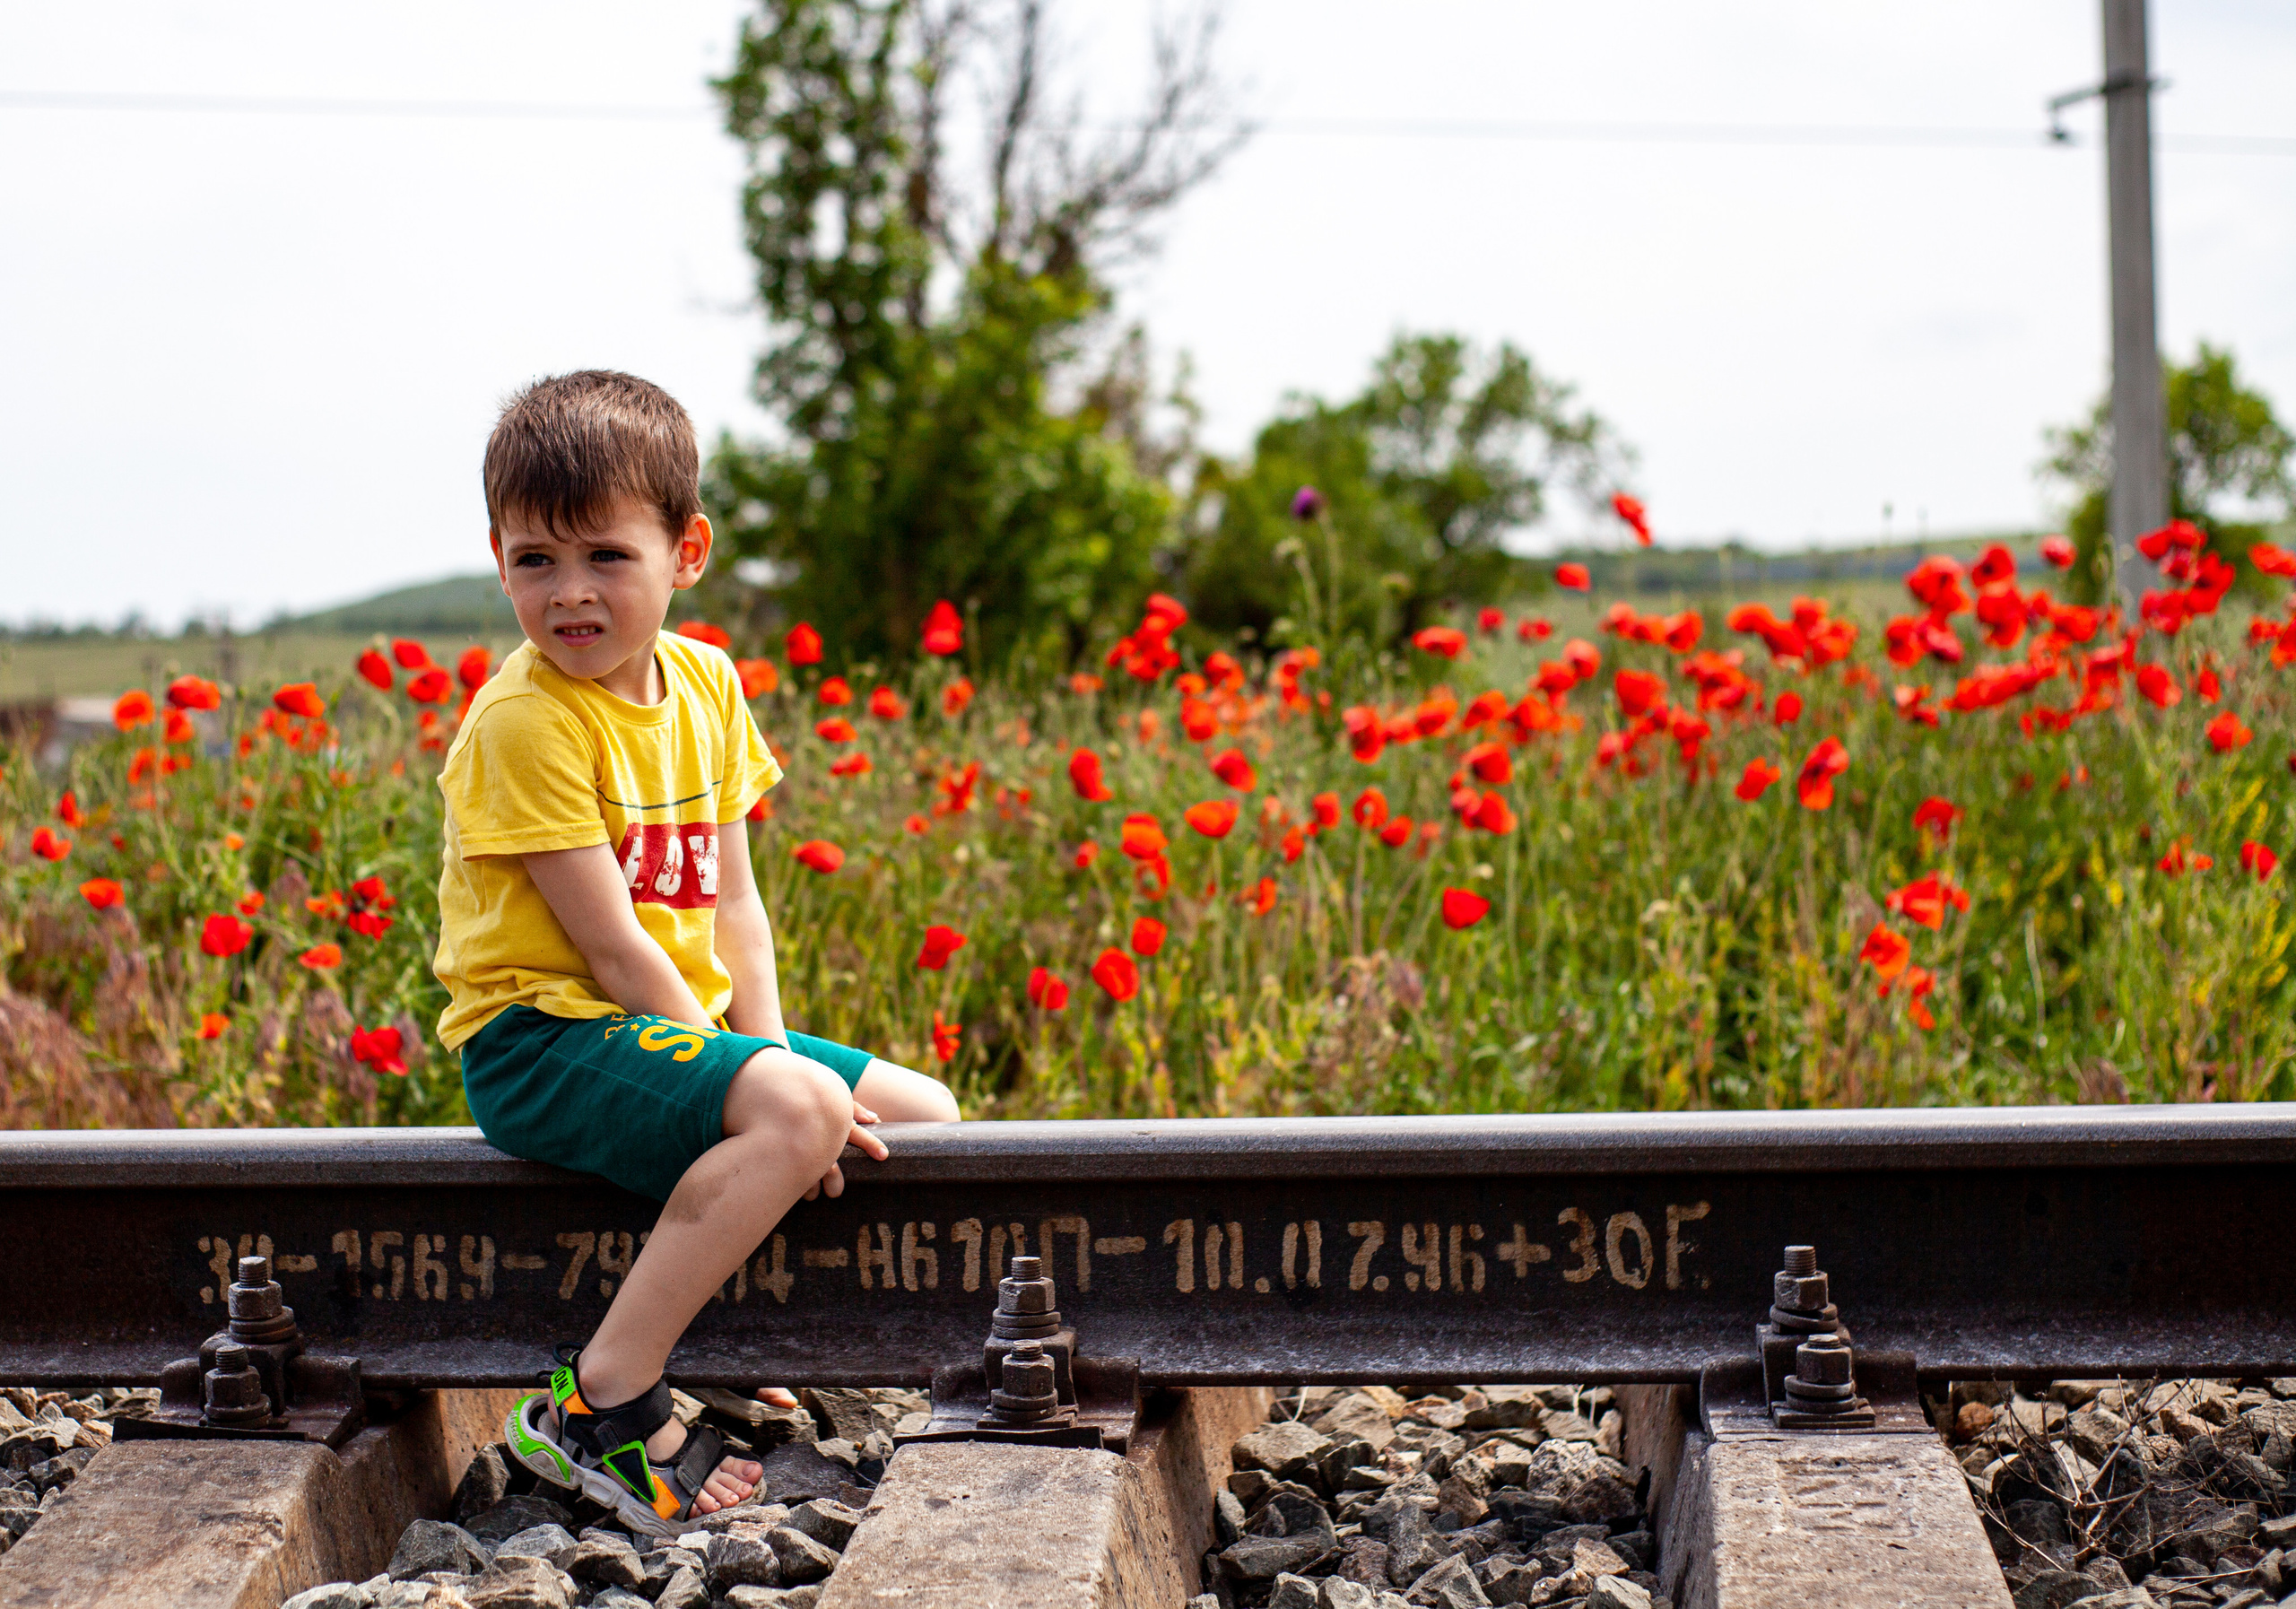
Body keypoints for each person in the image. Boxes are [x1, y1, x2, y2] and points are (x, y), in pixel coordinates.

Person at [431, 370, 960, 1534]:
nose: (569, 593)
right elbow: (616, 949)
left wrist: (766, 1059)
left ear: (687, 549)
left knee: (924, 1115)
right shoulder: (524, 722)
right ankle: (608, 1395)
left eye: (606, 557)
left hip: (670, 1022)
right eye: (534, 560)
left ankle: (714, 1340)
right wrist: (770, 1091)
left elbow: (736, 906)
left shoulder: (707, 684)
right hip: (541, 1037)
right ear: (498, 553)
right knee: (795, 1112)